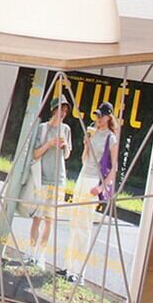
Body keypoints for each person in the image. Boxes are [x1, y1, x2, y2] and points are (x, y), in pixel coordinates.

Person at [65, 101, 118, 279]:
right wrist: (86, 145)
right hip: (82, 178)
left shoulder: (111, 138)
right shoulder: (94, 134)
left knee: (84, 226)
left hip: (93, 182)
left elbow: (114, 167)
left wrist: (101, 186)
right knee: (74, 222)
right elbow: (85, 161)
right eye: (97, 115)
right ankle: (69, 267)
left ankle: (78, 272)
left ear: (109, 117)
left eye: (102, 115)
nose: (98, 118)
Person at [26, 96, 72, 269]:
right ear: (53, 109)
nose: (63, 113)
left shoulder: (66, 129)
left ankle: (40, 256)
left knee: (49, 220)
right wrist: (49, 144)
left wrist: (65, 146)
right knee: (37, 219)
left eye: (65, 110)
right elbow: (35, 154)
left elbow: (67, 155)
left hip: (59, 180)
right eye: (61, 109)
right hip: (42, 179)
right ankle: (30, 253)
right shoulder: (43, 128)